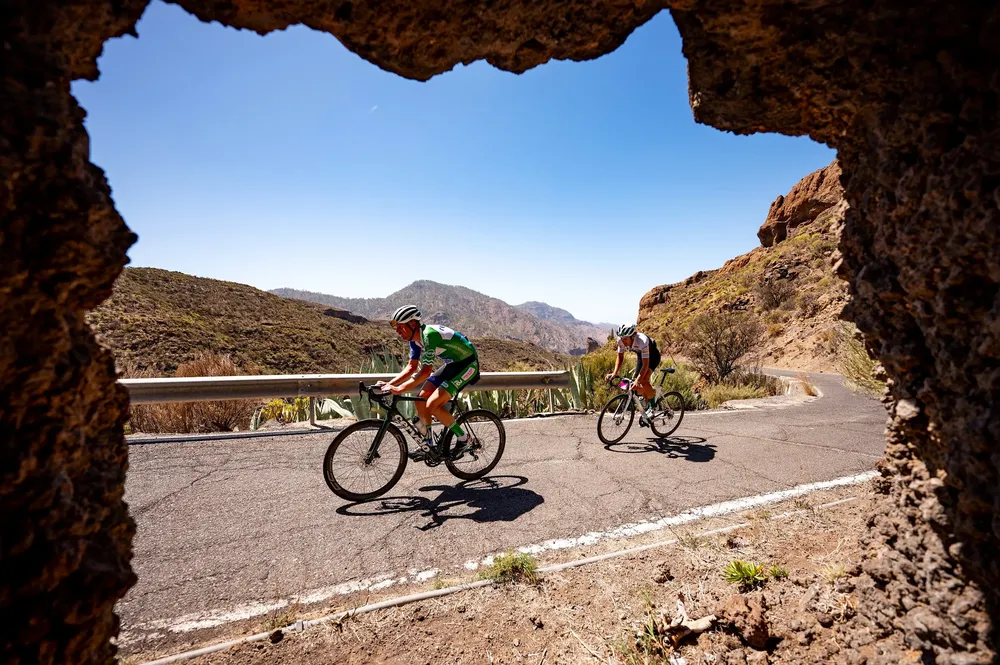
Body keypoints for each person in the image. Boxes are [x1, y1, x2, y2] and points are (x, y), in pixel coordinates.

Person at [378, 305, 480, 460]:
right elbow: (412, 367)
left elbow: (425, 372)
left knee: (432, 404)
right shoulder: (414, 339)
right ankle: (428, 444)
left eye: (400, 327)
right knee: (420, 400)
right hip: (452, 364)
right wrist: (389, 384)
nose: (397, 331)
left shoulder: (429, 335)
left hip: (467, 365)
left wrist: (399, 389)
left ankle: (464, 439)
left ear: (412, 324)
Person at [606, 324, 661, 423]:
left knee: (643, 380)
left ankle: (653, 406)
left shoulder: (642, 341)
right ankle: (645, 401)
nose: (623, 341)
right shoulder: (620, 340)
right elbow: (620, 357)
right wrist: (614, 373)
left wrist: (638, 380)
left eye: (626, 339)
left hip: (652, 358)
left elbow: (645, 365)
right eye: (622, 339)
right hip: (641, 356)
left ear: (633, 336)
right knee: (633, 384)